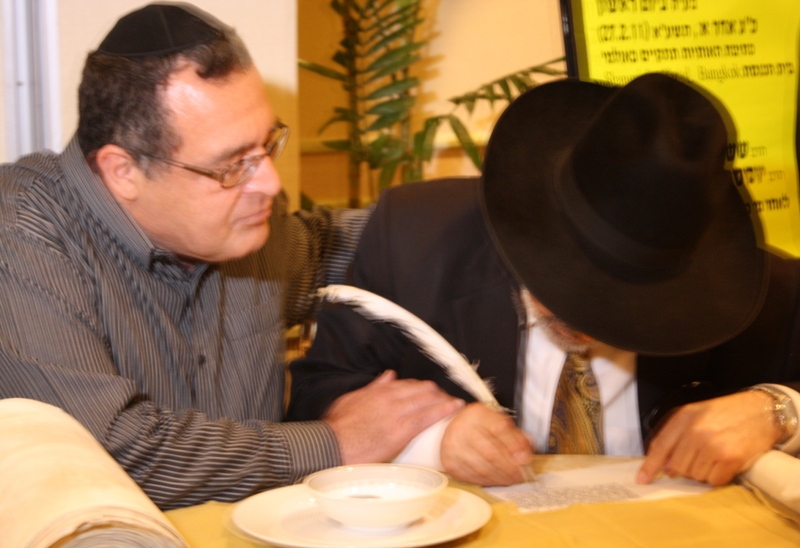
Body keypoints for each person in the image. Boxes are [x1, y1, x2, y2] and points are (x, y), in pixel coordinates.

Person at [0, 3, 463, 509]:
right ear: (122, 171)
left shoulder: (246, 230)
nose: (269, 182)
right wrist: (335, 442)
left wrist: (500, 217)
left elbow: (351, 249)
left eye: (267, 147)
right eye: (232, 166)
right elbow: (106, 457)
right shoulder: (24, 232)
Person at [288, 73, 800, 487]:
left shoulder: (753, 290)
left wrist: (777, 410)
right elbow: (317, 392)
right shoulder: (413, 238)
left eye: (623, 301)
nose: (585, 318)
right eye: (570, 280)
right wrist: (432, 440)